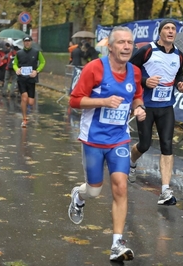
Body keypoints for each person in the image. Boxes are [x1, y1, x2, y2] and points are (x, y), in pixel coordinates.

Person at [68, 26, 145, 262]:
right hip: (93, 138)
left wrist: (139, 107)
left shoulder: (135, 72)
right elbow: (74, 101)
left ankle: (117, 244)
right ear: (110, 46)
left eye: (130, 43)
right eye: (121, 42)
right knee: (94, 190)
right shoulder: (94, 69)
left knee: (120, 185)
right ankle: (78, 197)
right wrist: (103, 101)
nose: (126, 47)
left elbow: (137, 95)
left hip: (119, 138)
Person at [128, 19, 183, 203]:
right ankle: (131, 163)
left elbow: (178, 75)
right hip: (146, 105)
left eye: (173, 29)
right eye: (167, 28)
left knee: (167, 144)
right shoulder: (147, 50)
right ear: (160, 32)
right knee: (145, 144)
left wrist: (181, 85)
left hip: (166, 106)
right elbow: (130, 70)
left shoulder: (179, 55)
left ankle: (165, 191)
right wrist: (145, 81)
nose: (171, 31)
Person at [13, 36, 46, 128]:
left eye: (28, 41)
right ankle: (24, 118)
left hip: (31, 78)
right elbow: (15, 63)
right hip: (22, 79)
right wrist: (16, 69)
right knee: (24, 98)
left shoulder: (36, 52)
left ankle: (26, 110)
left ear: (31, 42)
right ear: (23, 42)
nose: (27, 43)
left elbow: (43, 62)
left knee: (30, 102)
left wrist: (37, 71)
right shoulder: (19, 53)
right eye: (25, 41)